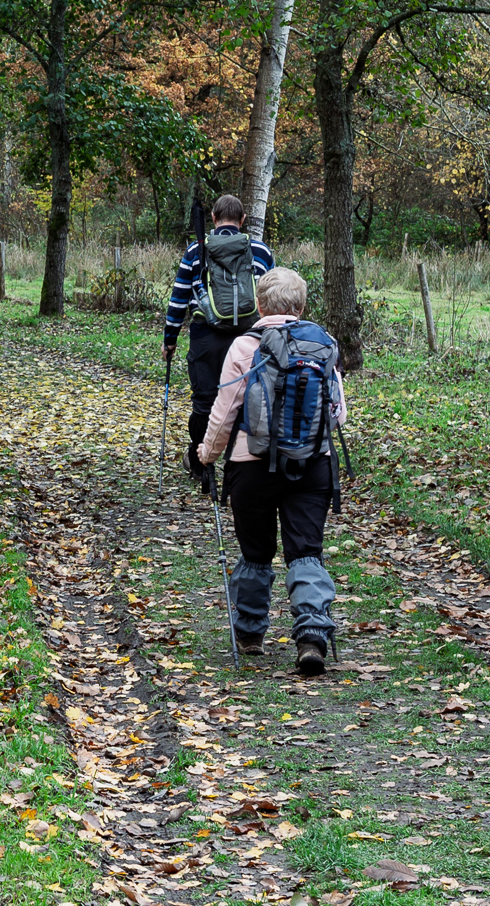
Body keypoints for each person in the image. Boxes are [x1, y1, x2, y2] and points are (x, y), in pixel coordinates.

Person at [193, 267, 346, 675]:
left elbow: (225, 411)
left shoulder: (245, 345)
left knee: (256, 552)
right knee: (306, 551)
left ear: (259, 305)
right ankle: (312, 637)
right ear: (302, 306)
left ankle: (249, 633)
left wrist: (207, 454)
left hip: (251, 468)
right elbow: (338, 414)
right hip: (312, 465)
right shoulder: (322, 342)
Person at [162, 194, 275, 486]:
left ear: (213, 218)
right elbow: (272, 298)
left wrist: (170, 339)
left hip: (206, 338)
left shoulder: (196, 250)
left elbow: (179, 299)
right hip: (250, 338)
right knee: (247, 399)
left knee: (204, 402)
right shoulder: (260, 251)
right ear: (242, 220)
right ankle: (241, 466)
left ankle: (202, 466)